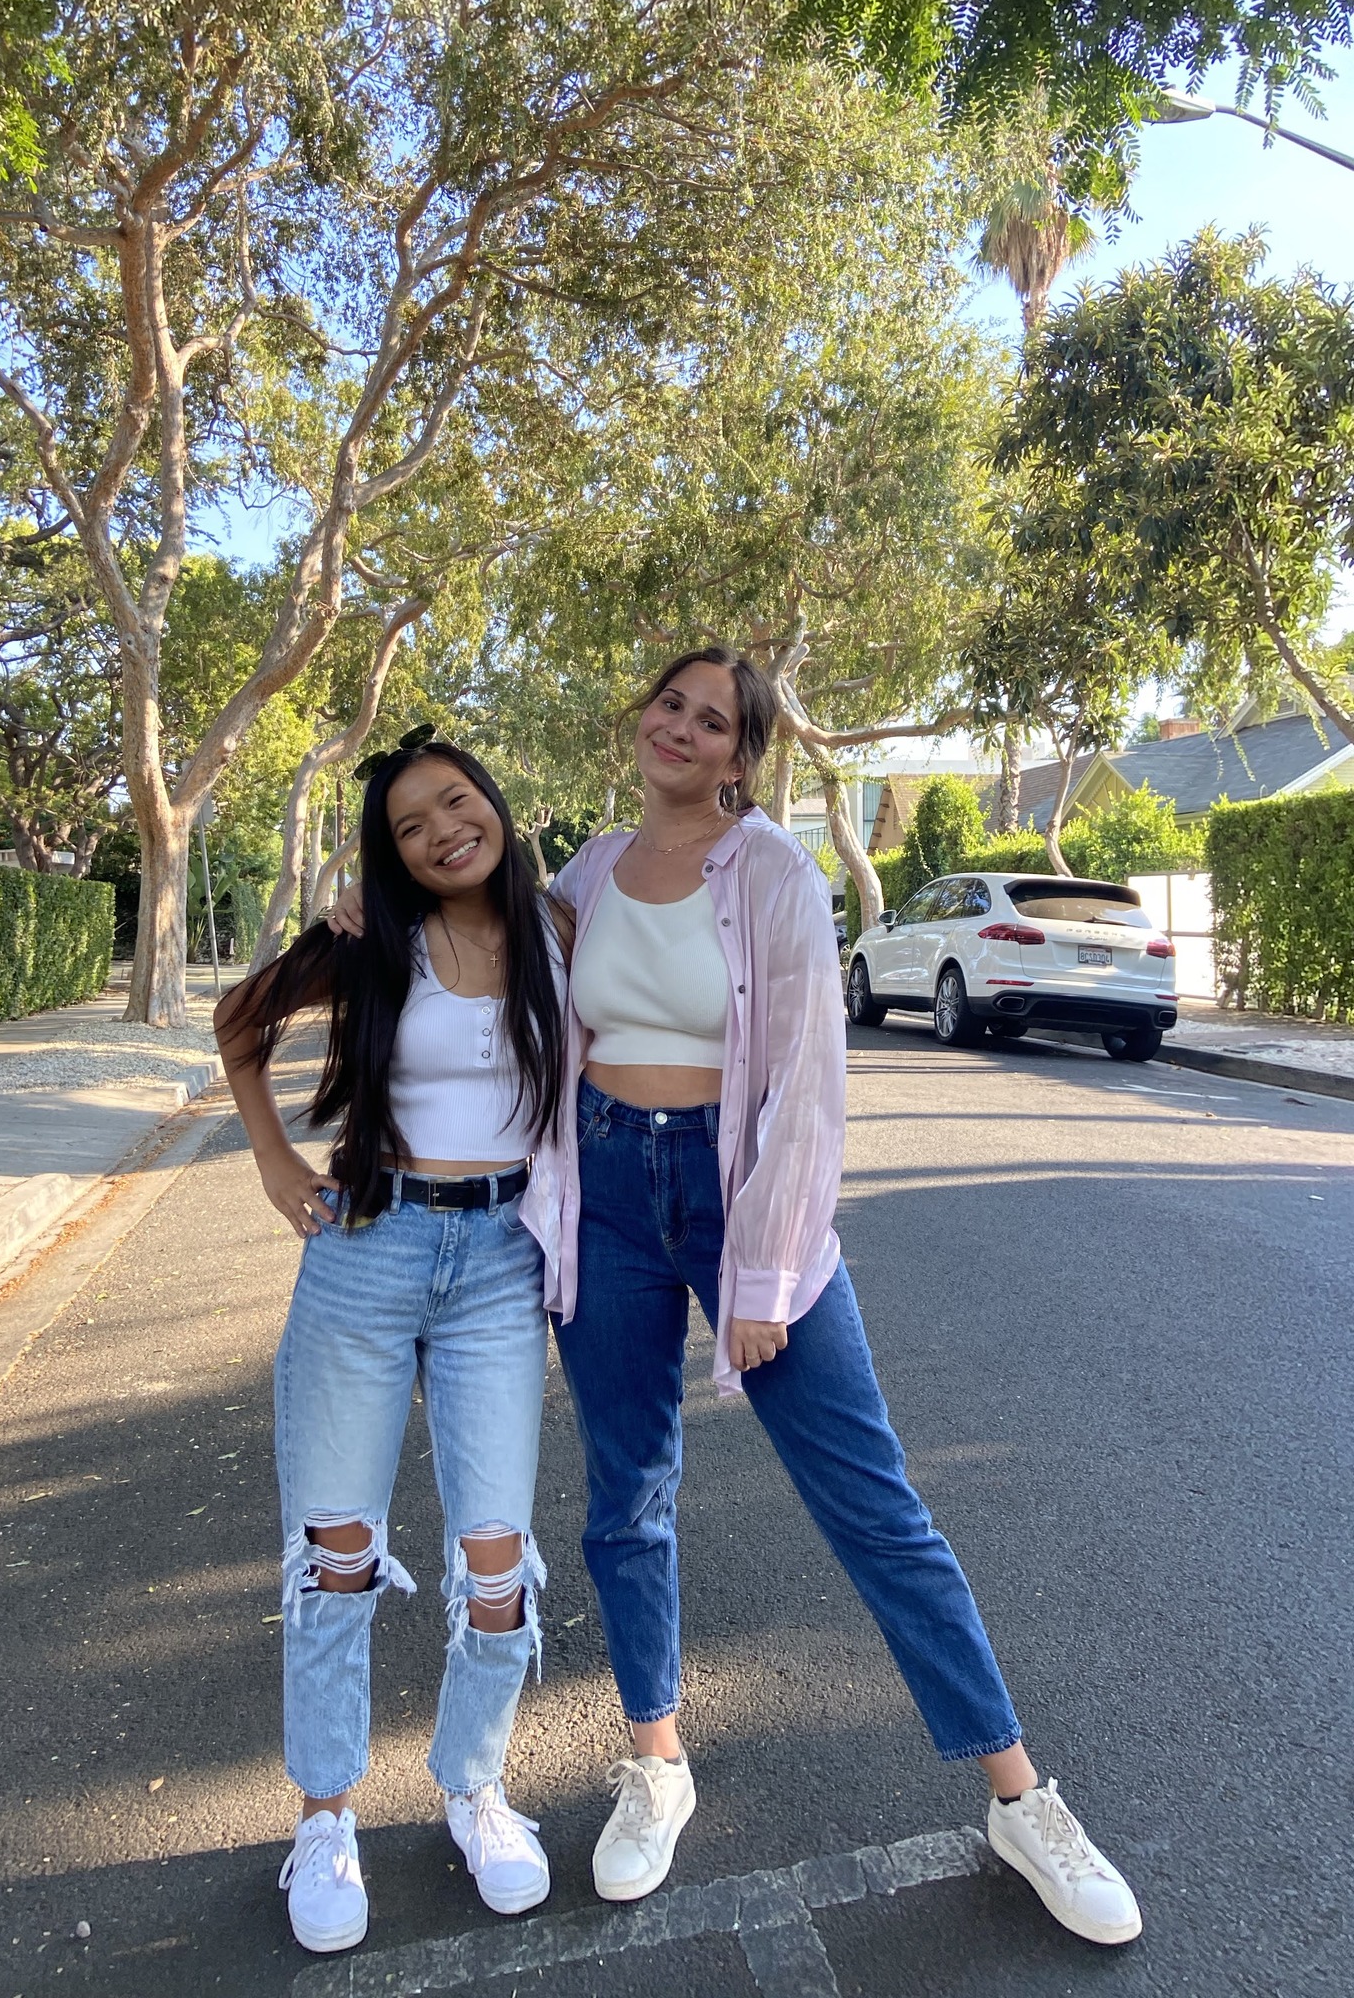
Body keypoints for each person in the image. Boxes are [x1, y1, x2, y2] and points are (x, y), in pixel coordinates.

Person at [525, 646, 1143, 1948]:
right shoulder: (584, 870)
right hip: (611, 1202)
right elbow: (492, 961)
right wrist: (372, 919)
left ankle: (1019, 1796)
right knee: (625, 1496)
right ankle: (657, 1761)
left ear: (743, 756)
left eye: (712, 721)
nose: (682, 730)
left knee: (874, 1504)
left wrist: (760, 1271)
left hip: (743, 1195)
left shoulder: (777, 876)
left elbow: (808, 1084)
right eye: (670, 707)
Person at [214, 729, 565, 1956]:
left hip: (501, 1261)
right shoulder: (376, 938)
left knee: (495, 1559)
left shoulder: (560, 929)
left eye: (455, 802)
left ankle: (474, 1787)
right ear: (391, 850)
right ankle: (325, 1814)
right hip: (370, 1247)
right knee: (337, 1549)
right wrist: (271, 1158)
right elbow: (241, 1018)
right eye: (410, 825)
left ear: (495, 802)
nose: (438, 832)